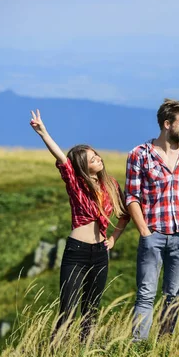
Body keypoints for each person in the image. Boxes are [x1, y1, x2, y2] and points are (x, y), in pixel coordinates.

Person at [29, 109, 129, 342]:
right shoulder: (76, 183)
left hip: (100, 253)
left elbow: (125, 214)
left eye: (97, 155)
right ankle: (55, 355)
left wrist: (113, 239)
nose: (98, 158)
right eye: (91, 158)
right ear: (82, 166)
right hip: (77, 251)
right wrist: (43, 132)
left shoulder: (111, 184)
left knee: (91, 311)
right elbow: (62, 160)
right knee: (68, 310)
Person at [125, 99, 179, 341]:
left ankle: (165, 345)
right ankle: (138, 346)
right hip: (154, 234)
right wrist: (145, 234)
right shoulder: (139, 155)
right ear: (167, 124)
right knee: (146, 294)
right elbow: (131, 197)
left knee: (173, 295)